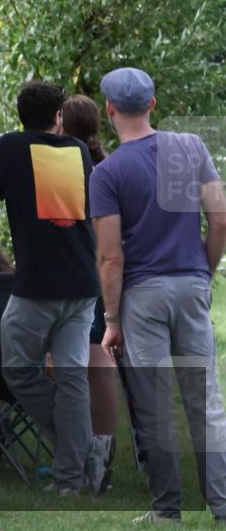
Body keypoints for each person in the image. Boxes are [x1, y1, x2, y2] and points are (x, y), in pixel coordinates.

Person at [90, 67, 226, 525]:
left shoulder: (107, 173)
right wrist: (201, 274)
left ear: (109, 109)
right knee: (205, 403)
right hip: (190, 285)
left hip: (142, 296)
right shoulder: (191, 147)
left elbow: (111, 258)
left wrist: (112, 319)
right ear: (153, 104)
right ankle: (223, 506)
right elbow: (221, 220)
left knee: (154, 405)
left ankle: (168, 509)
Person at [0, 81, 103, 494]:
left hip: (37, 284)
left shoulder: (10, 148)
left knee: (17, 368)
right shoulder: (76, 151)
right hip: (83, 283)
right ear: (58, 116)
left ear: (20, 113)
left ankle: (81, 454)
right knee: (72, 380)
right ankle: (74, 475)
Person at [60, 93, 120, 483]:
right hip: (105, 270)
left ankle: (82, 449)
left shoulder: (67, 166)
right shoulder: (108, 165)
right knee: (100, 364)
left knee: (81, 363)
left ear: (62, 125)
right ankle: (102, 445)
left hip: (81, 270)